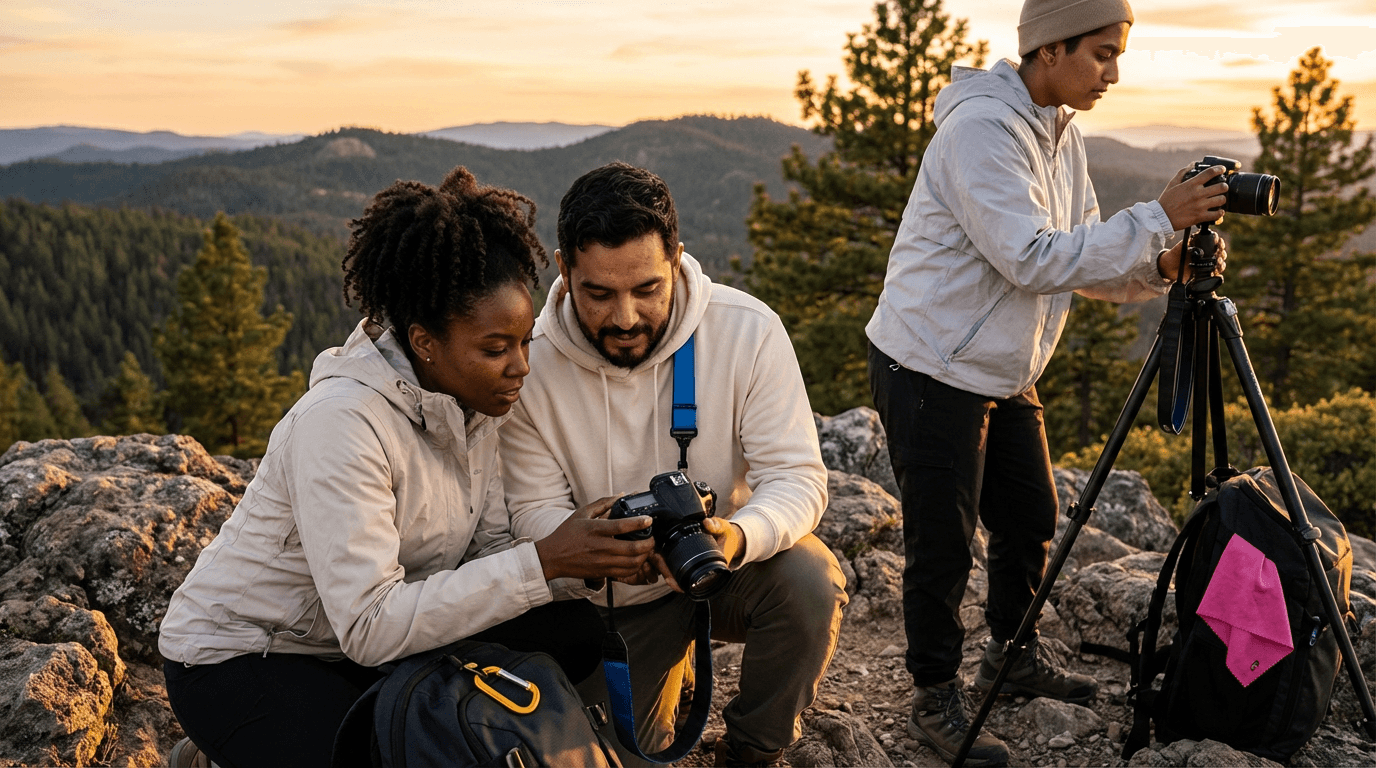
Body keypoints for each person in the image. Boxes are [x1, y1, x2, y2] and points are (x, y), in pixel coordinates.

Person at [158, 167, 657, 768]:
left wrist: (586, 562)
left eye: (525, 342)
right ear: (424, 343)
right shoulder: (342, 422)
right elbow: (369, 624)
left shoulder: (474, 408)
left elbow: (491, 547)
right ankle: (215, 752)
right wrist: (546, 559)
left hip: (364, 645)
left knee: (572, 632)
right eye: (495, 349)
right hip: (250, 656)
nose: (520, 368)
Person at [864, 0, 1232, 764]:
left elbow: (1084, 253)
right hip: (932, 365)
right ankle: (933, 698)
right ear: (1048, 48)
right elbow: (1033, 256)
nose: (1113, 72)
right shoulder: (980, 131)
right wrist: (1159, 215)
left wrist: (1159, 267)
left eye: (1117, 54)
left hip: (1001, 369)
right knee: (943, 545)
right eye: (1101, 53)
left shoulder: (1062, 133)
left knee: (1031, 514)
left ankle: (1010, 651)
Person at [499, 162, 848, 767]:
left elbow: (796, 476)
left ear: (677, 258)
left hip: (721, 565)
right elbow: (530, 511)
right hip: (610, 601)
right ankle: (666, 672)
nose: (626, 318)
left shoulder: (746, 332)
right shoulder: (530, 366)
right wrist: (593, 547)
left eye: (647, 289)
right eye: (599, 294)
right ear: (564, 270)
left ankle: (753, 748)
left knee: (809, 581)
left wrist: (736, 537)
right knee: (617, 758)